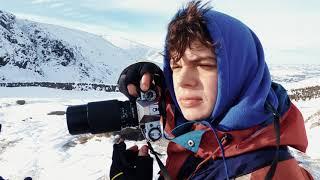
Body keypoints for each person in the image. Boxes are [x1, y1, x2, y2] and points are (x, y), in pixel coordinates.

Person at [110, 1, 314, 179]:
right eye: (176, 66)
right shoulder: (204, 132)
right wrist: (156, 91)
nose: (182, 82)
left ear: (240, 72)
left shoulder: (266, 173)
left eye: (204, 65)